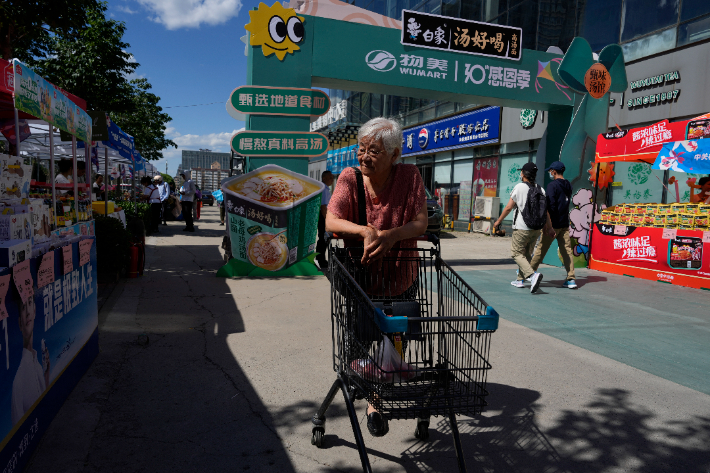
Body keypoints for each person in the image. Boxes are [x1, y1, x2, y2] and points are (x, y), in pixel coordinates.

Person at [326, 117, 428, 438]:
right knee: (359, 349)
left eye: (374, 151)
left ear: (395, 155)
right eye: (361, 148)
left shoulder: (409, 177)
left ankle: (374, 402)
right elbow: (332, 219)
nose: (364, 156)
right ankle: (374, 398)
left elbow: (420, 223)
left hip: (401, 278)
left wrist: (392, 235)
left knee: (392, 349)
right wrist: (365, 231)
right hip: (362, 283)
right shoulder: (349, 178)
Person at [493, 162, 546, 294]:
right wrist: (548, 227)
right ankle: (520, 280)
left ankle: (532, 276)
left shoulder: (519, 187)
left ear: (523, 174)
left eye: (521, 172)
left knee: (516, 253)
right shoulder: (541, 189)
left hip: (522, 228)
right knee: (527, 254)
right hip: (536, 229)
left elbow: (509, 207)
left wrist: (498, 221)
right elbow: (546, 212)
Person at [530, 161, 577, 289]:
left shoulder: (552, 186)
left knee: (541, 249)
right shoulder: (568, 184)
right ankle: (571, 278)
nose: (550, 173)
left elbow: (549, 206)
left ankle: (527, 274)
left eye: (550, 171)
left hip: (553, 224)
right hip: (564, 224)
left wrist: (547, 225)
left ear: (554, 172)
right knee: (567, 251)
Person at [11, 290, 49, 425]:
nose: (27, 312)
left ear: (34, 310)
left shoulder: (38, 366)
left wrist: (47, 373)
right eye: (23, 307)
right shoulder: (18, 381)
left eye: (30, 303)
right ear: (20, 322)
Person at [315, 171, 334, 272]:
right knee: (323, 238)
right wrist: (328, 220)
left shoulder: (326, 188)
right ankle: (320, 259)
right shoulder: (324, 189)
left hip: (324, 217)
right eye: (330, 178)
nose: (332, 179)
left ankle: (321, 258)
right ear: (324, 178)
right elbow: (323, 206)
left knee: (323, 239)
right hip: (323, 217)